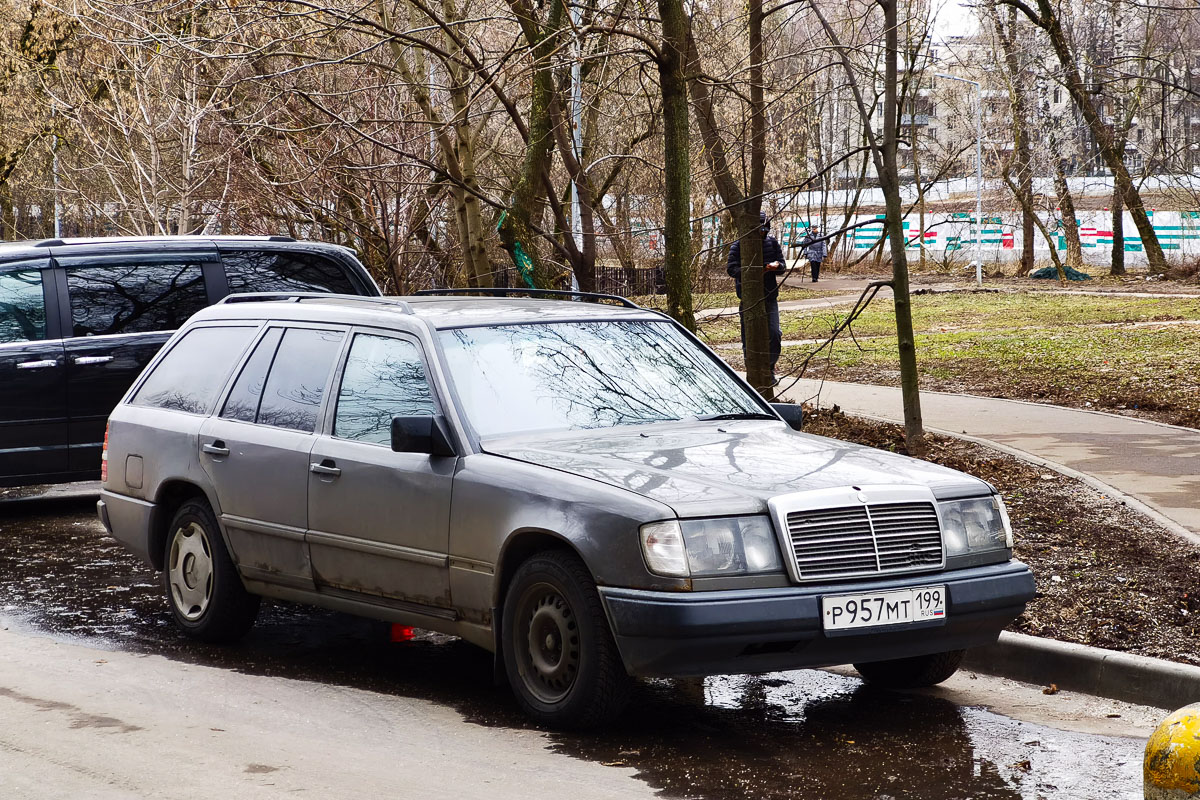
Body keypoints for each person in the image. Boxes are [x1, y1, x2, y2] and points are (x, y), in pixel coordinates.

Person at [726, 212, 785, 377]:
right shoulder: (738, 245)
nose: (762, 232)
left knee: (774, 333)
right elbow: (731, 269)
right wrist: (753, 271)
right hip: (748, 297)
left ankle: (769, 368)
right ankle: (752, 371)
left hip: (770, 295)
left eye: (764, 229)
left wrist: (776, 266)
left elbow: (783, 266)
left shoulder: (772, 243)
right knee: (749, 337)